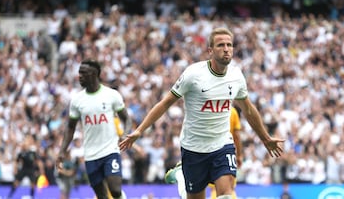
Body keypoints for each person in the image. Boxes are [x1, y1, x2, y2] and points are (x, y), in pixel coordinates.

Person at [120, 27, 285, 199]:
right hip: (194, 147)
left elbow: (249, 110)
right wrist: (140, 130)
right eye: (221, 45)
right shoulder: (194, 74)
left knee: (227, 196)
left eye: (229, 45)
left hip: (222, 144)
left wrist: (265, 138)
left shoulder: (236, 76)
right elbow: (165, 103)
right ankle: (180, 176)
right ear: (210, 50)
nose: (226, 49)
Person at [56, 59, 131, 199]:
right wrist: (62, 151)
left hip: (110, 151)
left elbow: (126, 119)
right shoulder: (77, 101)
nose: (80, 76)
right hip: (91, 155)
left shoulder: (111, 95)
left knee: (115, 190)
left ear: (94, 74)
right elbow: (70, 127)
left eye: (83, 73)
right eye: (79, 73)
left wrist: (125, 135)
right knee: (101, 196)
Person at [164, 106, 243, 199]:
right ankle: (181, 176)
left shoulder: (225, 108)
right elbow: (237, 136)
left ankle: (181, 176)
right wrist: (239, 156)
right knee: (196, 194)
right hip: (206, 152)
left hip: (222, 152)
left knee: (226, 192)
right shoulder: (230, 111)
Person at [7, 134, 44, 199]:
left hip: (31, 169)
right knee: (16, 182)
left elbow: (38, 161)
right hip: (24, 169)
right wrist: (15, 169)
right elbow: (16, 161)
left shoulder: (33, 152)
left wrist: (41, 169)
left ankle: (32, 196)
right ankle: (9, 196)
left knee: (33, 184)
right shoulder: (22, 153)